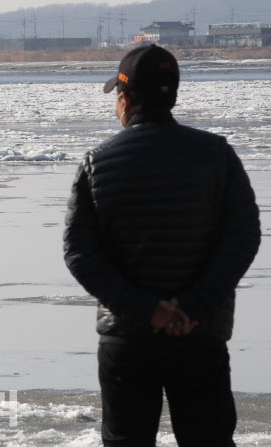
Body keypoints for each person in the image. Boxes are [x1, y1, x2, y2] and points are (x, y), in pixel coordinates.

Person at [63, 44, 261, 447]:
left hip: (128, 338)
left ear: (125, 98)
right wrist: (192, 306)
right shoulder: (217, 156)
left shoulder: (97, 162)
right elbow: (243, 238)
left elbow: (80, 252)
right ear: (172, 94)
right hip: (200, 334)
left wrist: (147, 310)